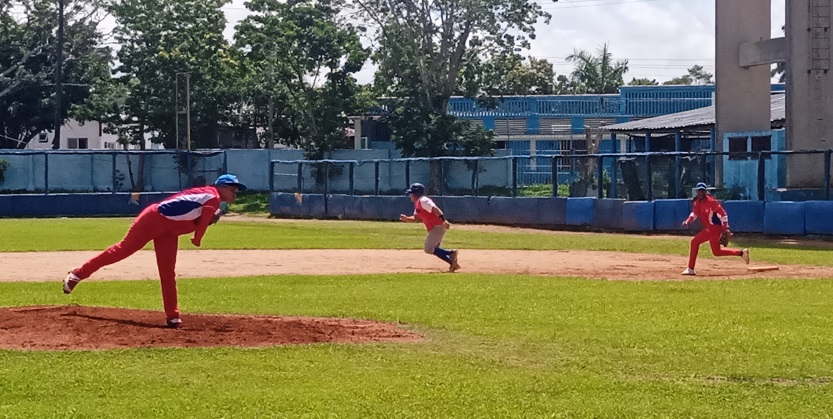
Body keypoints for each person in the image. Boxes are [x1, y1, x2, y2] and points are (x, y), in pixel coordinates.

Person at [62, 174, 247, 328]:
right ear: (221, 186)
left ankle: (173, 315)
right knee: (122, 250)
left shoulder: (209, 197)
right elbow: (200, 225)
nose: (235, 192)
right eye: (232, 188)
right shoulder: (212, 196)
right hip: (153, 219)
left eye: (236, 190)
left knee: (168, 272)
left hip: (169, 230)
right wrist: (198, 237)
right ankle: (77, 274)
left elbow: (187, 217)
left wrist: (202, 222)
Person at [681, 182, 750, 275]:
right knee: (717, 252)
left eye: (702, 191)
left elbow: (723, 214)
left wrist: (725, 228)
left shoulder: (711, 202)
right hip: (711, 228)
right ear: (696, 192)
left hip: (714, 228)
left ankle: (690, 268)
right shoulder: (697, 202)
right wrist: (688, 220)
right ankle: (741, 253)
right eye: (699, 191)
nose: (701, 193)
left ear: (705, 192)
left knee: (694, 242)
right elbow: (695, 214)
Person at [399, 183, 461, 272]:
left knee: (428, 249)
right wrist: (406, 218)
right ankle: (452, 263)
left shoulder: (424, 200)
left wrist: (443, 221)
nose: (410, 196)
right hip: (434, 227)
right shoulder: (418, 203)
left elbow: (435, 209)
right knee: (434, 249)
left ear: (415, 194)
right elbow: (415, 218)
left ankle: (451, 253)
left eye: (411, 193)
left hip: (438, 226)